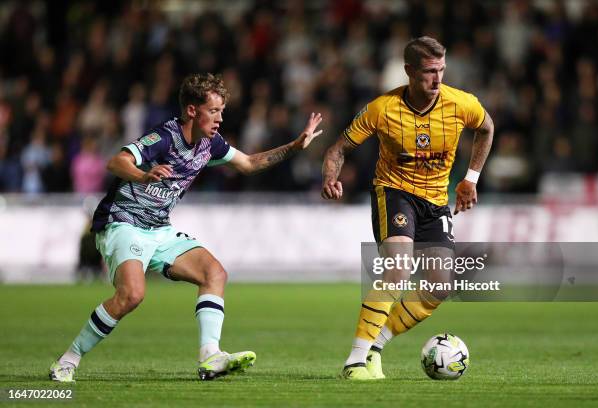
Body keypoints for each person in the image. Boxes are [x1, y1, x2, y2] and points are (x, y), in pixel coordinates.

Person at [50, 73, 323, 382]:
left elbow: (248, 163)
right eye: (213, 110)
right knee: (132, 295)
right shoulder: (165, 137)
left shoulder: (210, 144)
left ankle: (210, 356)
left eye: (222, 111)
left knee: (214, 273)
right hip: (123, 222)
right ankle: (68, 359)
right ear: (192, 110)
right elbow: (116, 162)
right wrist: (143, 175)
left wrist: (295, 147)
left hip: (159, 228)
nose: (220, 118)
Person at [321, 37, 494, 380]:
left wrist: (470, 178)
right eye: (430, 72)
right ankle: (354, 359)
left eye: (441, 70)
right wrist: (330, 178)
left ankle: (376, 345)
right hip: (394, 193)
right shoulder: (382, 109)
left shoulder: (461, 103)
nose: (437, 79)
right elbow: (337, 149)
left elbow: (487, 128)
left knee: (439, 287)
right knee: (398, 268)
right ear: (409, 72)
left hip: (435, 201)